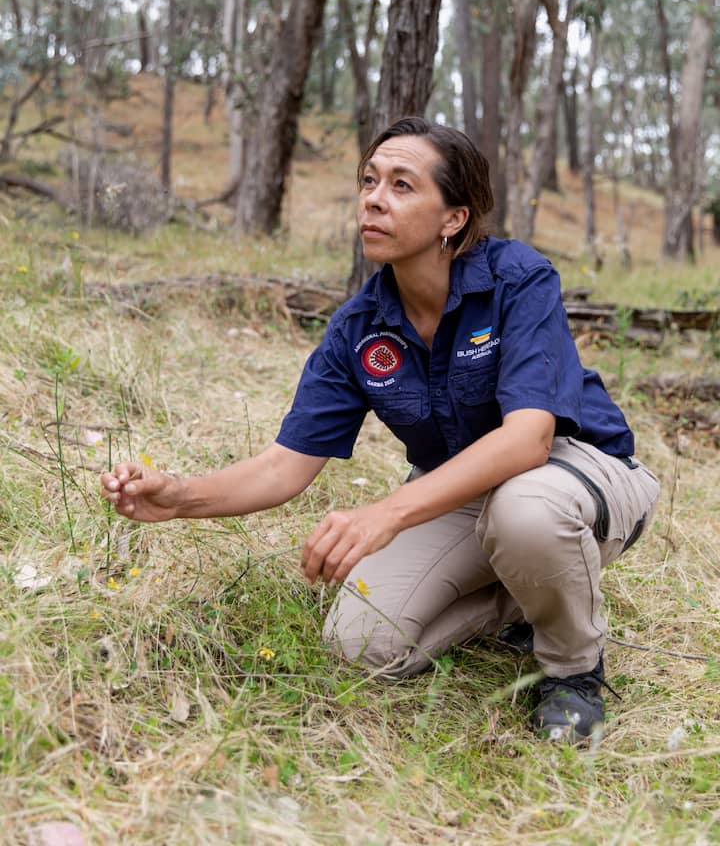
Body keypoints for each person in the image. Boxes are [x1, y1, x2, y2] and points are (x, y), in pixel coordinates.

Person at [102, 116, 659, 742]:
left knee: (526, 512)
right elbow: (283, 466)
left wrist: (388, 513)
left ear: (453, 218)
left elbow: (528, 438)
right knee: (360, 647)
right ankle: (527, 594)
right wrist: (181, 497)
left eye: (401, 185)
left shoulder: (518, 279)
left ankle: (572, 668)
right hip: (463, 492)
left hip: (573, 473)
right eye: (369, 181)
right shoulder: (359, 327)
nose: (373, 198)